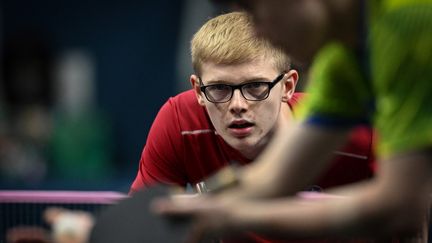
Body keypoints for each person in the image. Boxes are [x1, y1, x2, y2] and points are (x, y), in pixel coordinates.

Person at [153, 0, 432, 242]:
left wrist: (233, 215)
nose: (257, 32)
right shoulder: (341, 61)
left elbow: (400, 206)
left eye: (255, 9)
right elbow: (275, 176)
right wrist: (206, 203)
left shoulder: (411, 26)